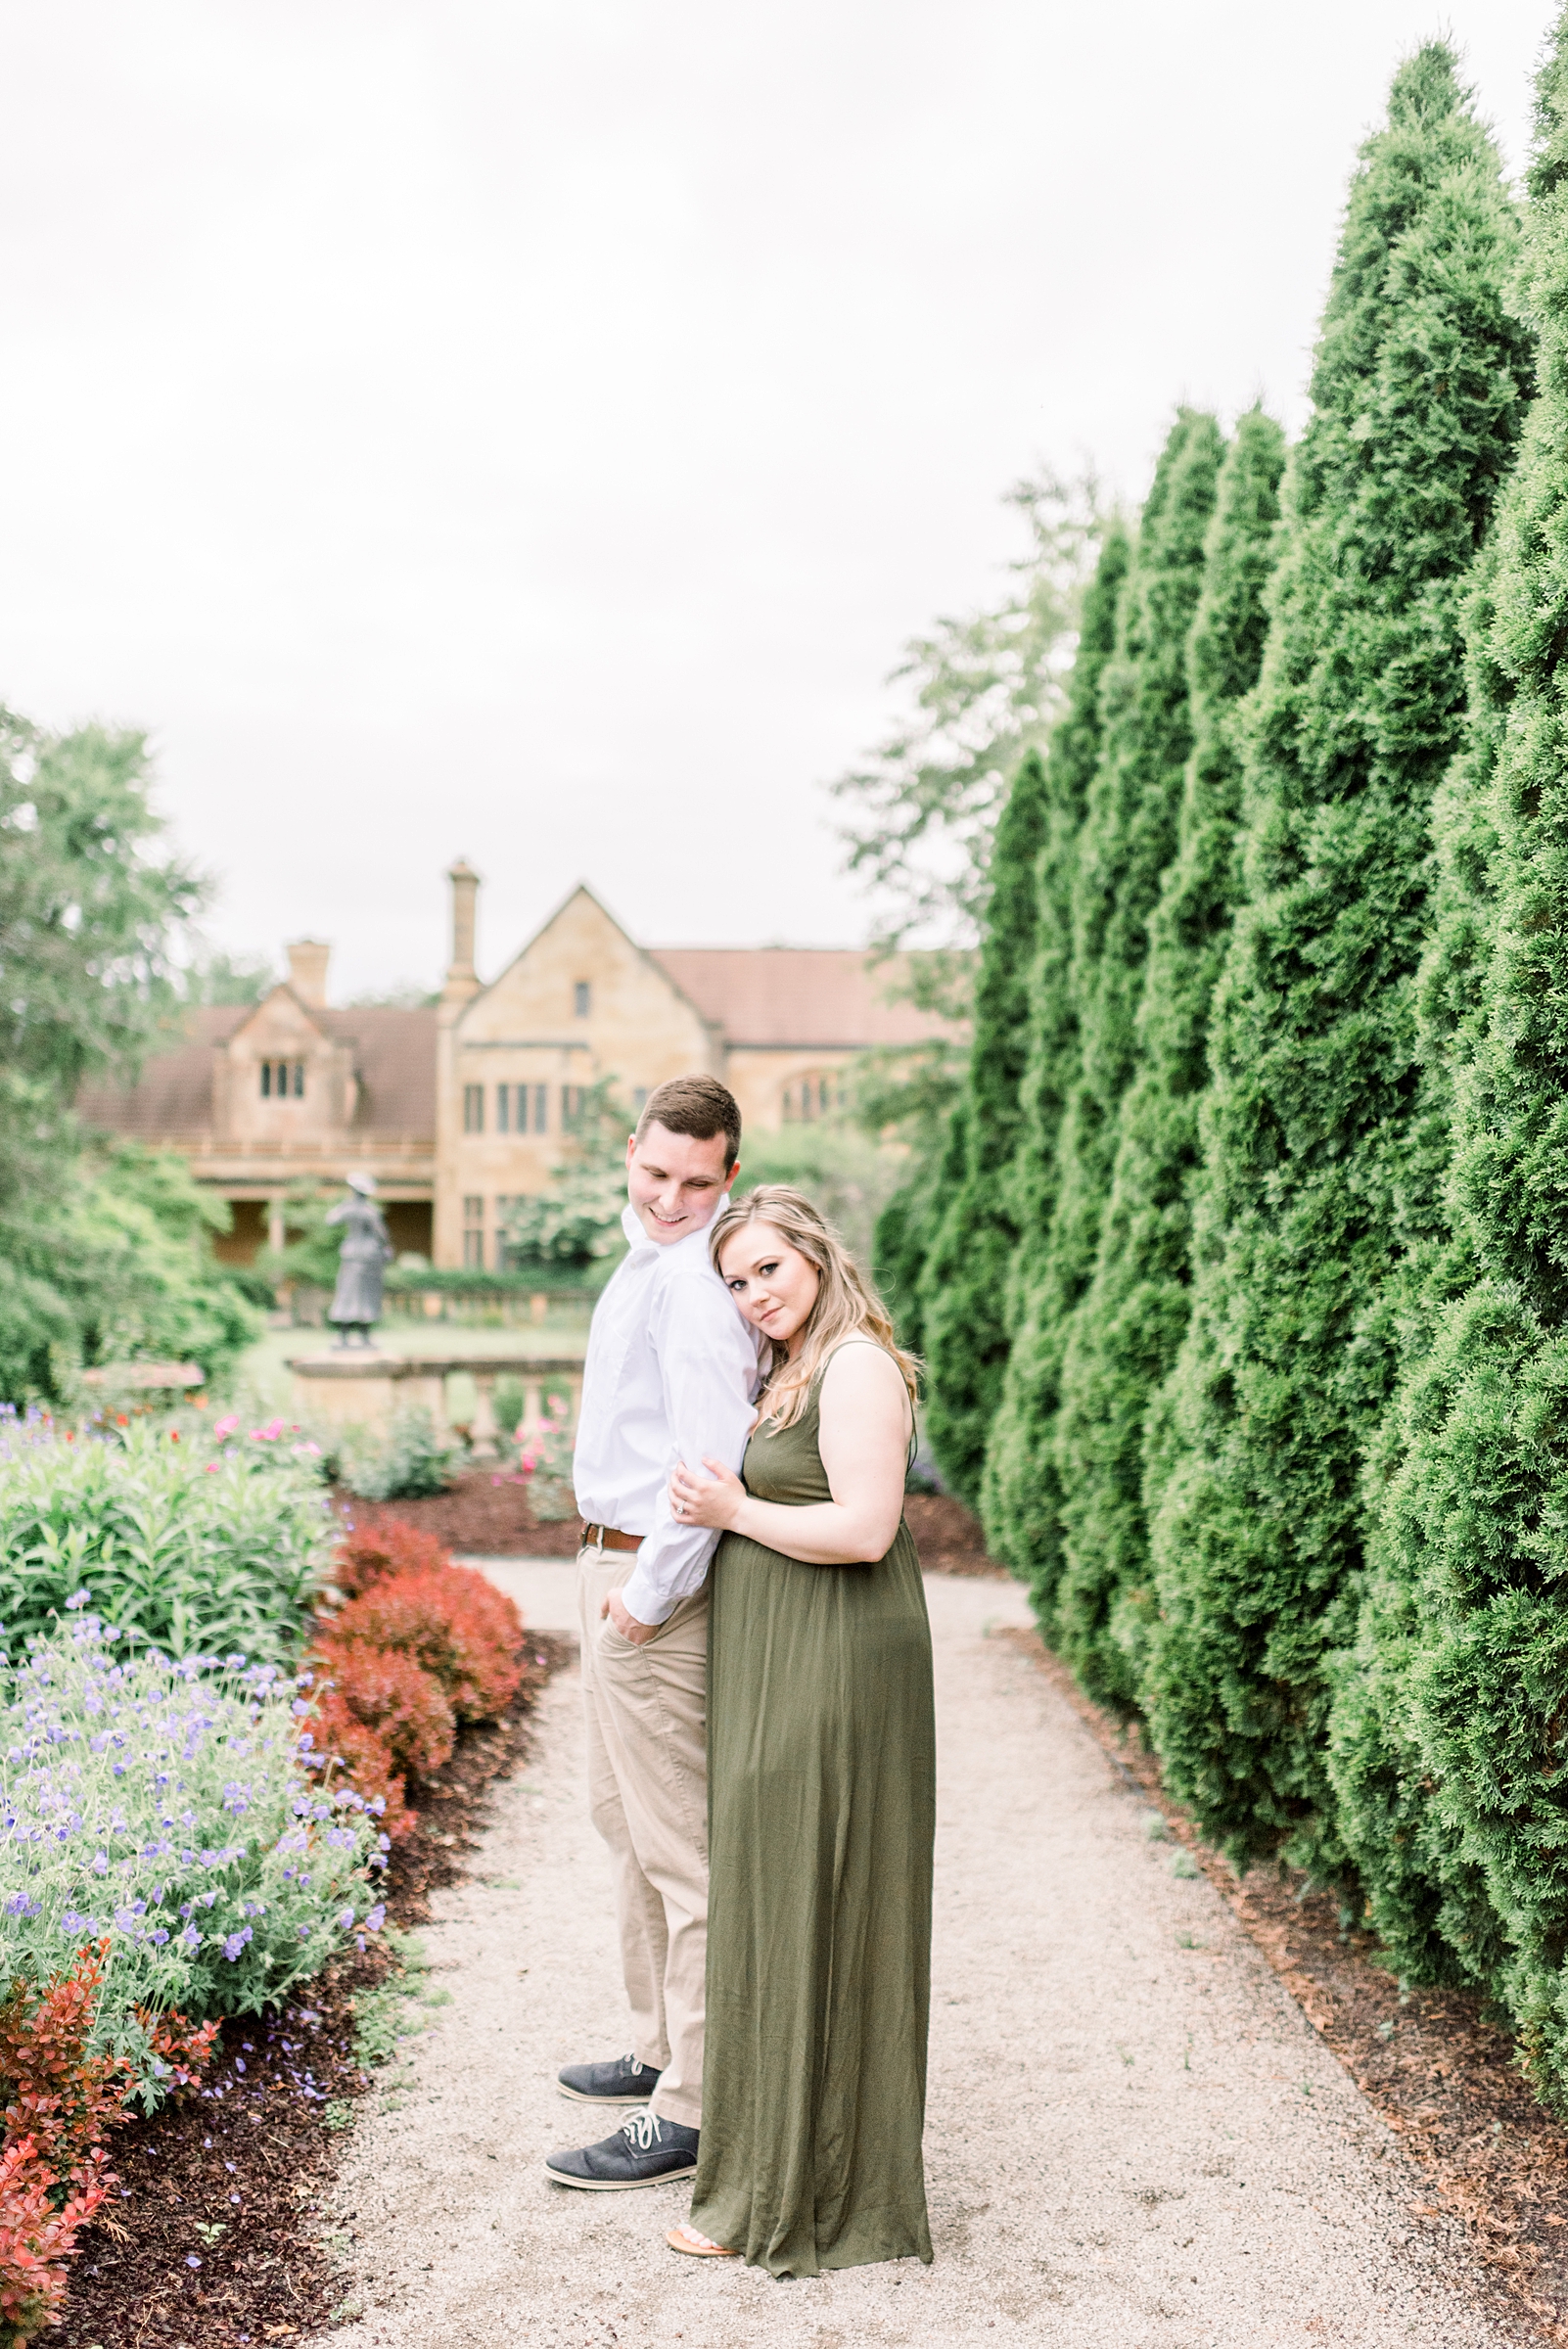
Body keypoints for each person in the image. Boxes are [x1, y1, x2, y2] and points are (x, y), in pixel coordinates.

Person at [664, 1183, 935, 2275]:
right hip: (779, 1655)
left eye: (768, 1269)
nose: (753, 1294)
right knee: (774, 1895)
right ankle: (772, 2169)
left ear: (816, 1255)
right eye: (735, 1281)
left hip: (836, 1657)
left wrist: (732, 1513)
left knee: (812, 1889)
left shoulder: (860, 1365)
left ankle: (803, 2192)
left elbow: (866, 1530)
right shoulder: (789, 1370)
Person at [544, 1076, 759, 2192]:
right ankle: (657, 2044)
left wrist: (650, 1594)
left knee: (684, 1851)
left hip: (651, 1582)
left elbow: (707, 1466)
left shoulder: (699, 1289)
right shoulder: (649, 1260)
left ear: (730, 1172)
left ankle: (691, 2106)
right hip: (609, 1563)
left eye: (695, 1180)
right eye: (655, 1172)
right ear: (630, 1150)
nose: (671, 1196)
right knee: (618, 1818)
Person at [325, 1173, 392, 1349]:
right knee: (364, 1297)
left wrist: (343, 1206)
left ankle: (345, 1336)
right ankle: (363, 1336)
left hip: (352, 1254)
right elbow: (381, 1234)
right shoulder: (370, 1211)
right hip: (368, 1255)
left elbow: (330, 1219)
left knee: (349, 1294)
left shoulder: (349, 1208)